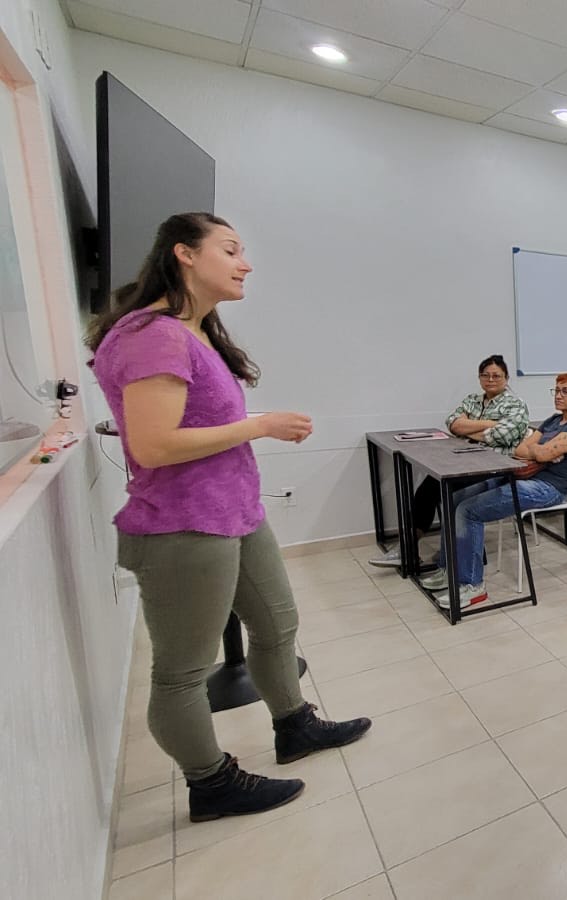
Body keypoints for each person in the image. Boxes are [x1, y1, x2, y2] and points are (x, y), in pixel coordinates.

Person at [85, 213, 370, 823]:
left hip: (236, 512)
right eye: (233, 250)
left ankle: (295, 726)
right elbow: (156, 445)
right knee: (183, 671)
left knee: (277, 626)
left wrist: (250, 429)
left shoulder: (195, 331)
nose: (245, 264)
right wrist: (261, 425)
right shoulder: (153, 334)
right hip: (184, 525)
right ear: (185, 255)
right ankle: (211, 783)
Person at [420, 373, 567, 607]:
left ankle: (472, 586)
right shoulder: (553, 421)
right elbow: (521, 449)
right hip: (524, 476)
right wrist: (544, 452)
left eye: (565, 391)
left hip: (549, 488)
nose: (558, 396)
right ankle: (448, 568)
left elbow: (538, 451)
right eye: (556, 390)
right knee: (456, 498)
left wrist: (541, 451)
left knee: (468, 511)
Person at [369, 355, 529, 567]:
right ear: (480, 378)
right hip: (465, 460)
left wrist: (470, 426)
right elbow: (452, 424)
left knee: (443, 490)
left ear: (506, 378)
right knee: (428, 488)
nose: (491, 379)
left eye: (496, 376)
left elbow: (501, 436)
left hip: (495, 468)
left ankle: (454, 551)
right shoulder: (473, 399)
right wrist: (489, 423)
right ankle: (408, 549)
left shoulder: (516, 405)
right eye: (485, 375)